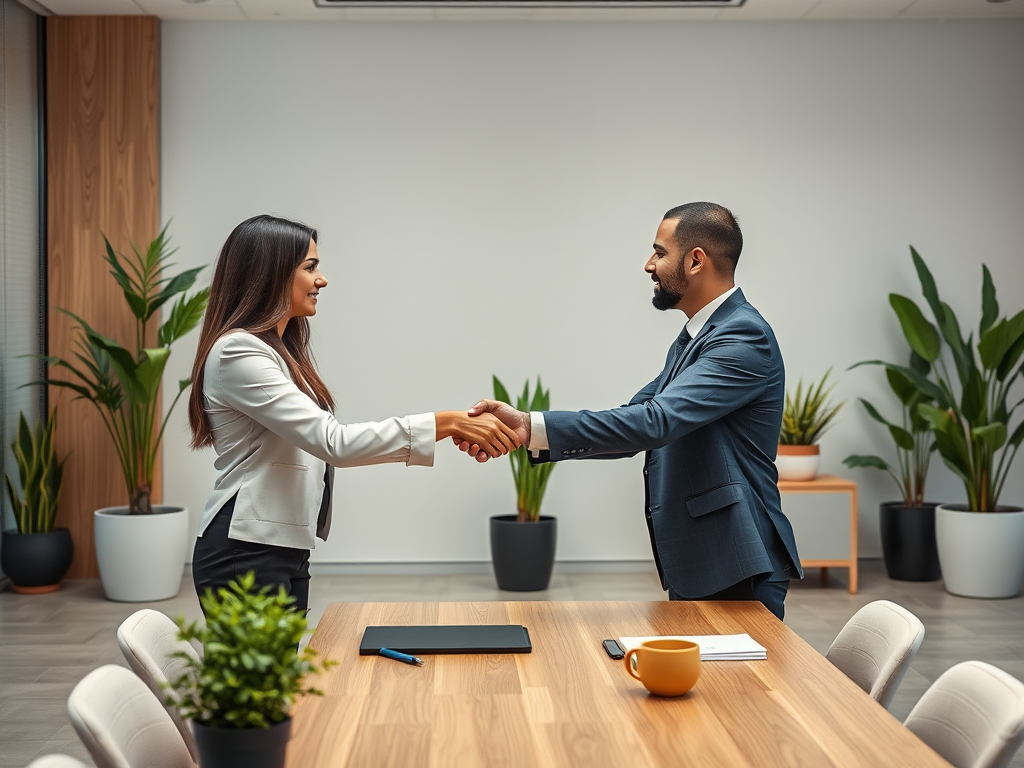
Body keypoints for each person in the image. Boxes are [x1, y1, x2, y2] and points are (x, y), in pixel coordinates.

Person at [459, 202, 802, 620]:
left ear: (696, 261)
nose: (648, 265)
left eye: (659, 252)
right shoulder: (698, 336)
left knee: (741, 689)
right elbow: (638, 416)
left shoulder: (743, 337)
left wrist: (532, 426)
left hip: (737, 561)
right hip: (709, 560)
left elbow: (654, 422)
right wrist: (528, 428)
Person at [187, 214, 519, 612]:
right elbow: (334, 443)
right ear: (271, 273)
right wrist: (447, 422)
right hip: (244, 550)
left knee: (280, 675)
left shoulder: (278, 352)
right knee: (260, 678)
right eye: (310, 268)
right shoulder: (238, 352)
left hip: (281, 547)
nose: (321, 280)